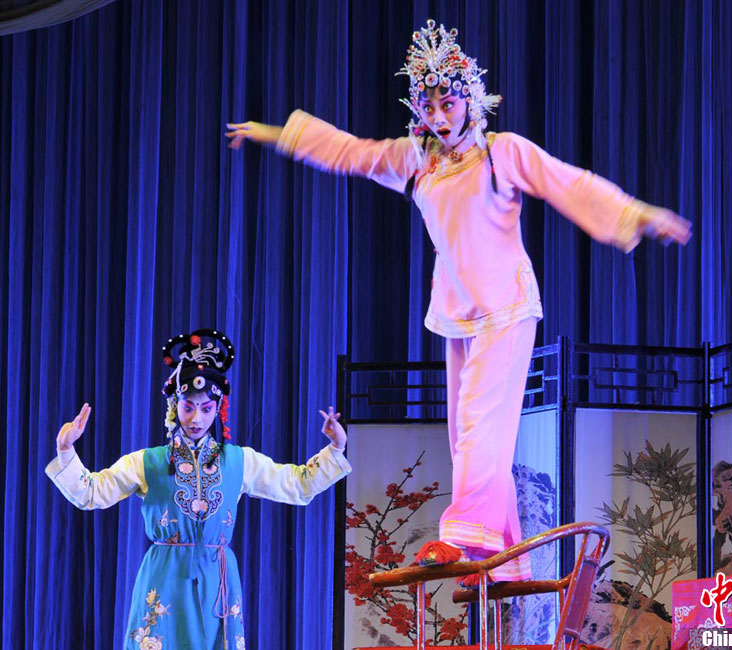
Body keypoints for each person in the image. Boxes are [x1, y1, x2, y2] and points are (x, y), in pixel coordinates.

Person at [224, 20, 690, 584]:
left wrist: (636, 214)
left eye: (448, 103)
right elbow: (349, 152)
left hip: (507, 308)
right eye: (428, 106)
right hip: (458, 314)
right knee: (467, 436)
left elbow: (569, 182)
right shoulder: (417, 160)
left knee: (479, 428)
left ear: (470, 100)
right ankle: (504, 562)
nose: (439, 117)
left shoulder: (501, 153)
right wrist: (273, 133)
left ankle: (462, 538)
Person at [45, 328, 350, 649]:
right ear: (174, 406)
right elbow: (92, 493)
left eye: (206, 409)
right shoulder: (147, 461)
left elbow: (297, 485)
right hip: (165, 577)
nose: (196, 418)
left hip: (216, 577)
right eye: (188, 406)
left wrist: (336, 448)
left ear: (218, 409)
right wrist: (65, 449)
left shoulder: (239, 461)